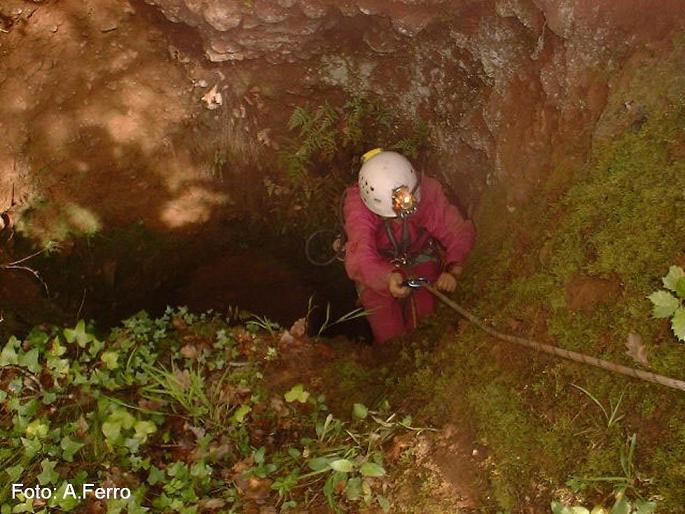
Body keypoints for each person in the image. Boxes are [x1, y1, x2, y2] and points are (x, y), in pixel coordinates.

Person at [343, 148, 476, 344]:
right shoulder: (358, 207)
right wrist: (387, 276)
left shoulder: (424, 190)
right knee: (390, 336)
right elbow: (360, 258)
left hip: (419, 256)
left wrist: (453, 269)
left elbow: (457, 230)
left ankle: (428, 357)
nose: (404, 216)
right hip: (377, 271)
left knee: (426, 320)